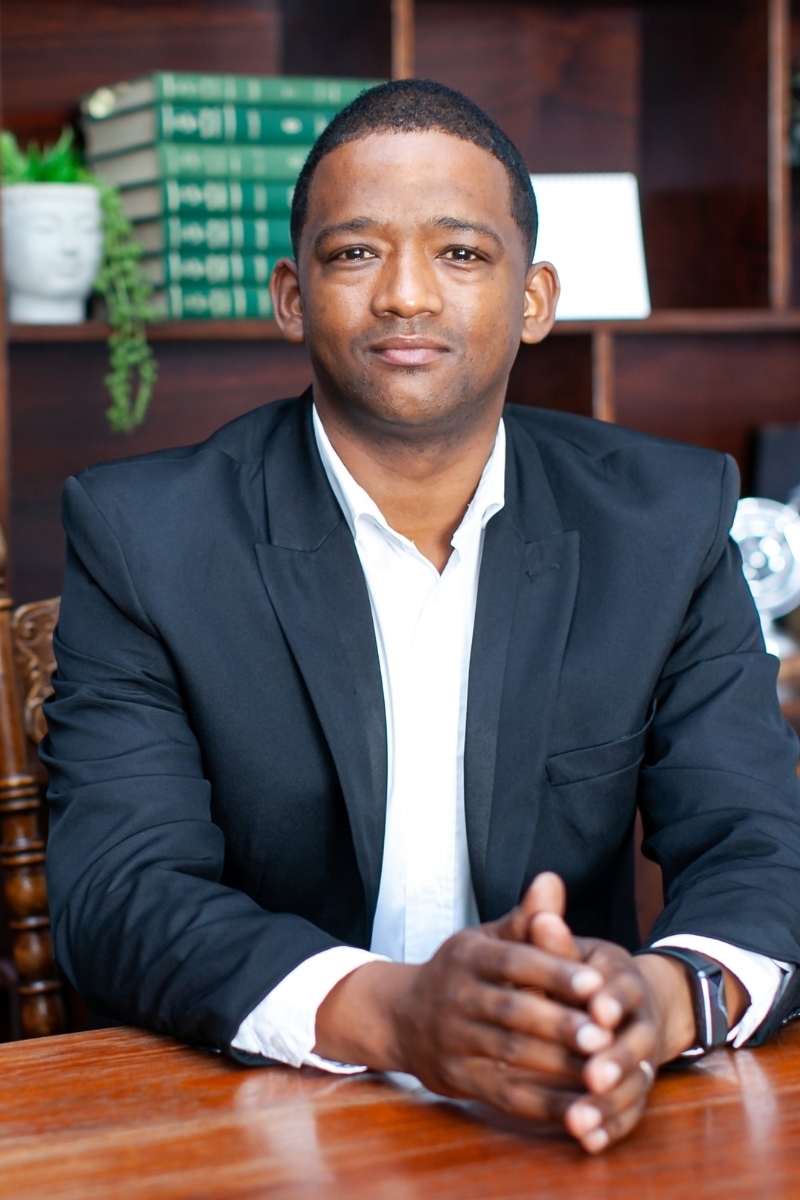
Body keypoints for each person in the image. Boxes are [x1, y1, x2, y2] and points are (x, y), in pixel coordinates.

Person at [44, 80, 800, 1155]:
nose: (405, 295)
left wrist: (659, 1002)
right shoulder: (146, 536)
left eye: (460, 253)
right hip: (259, 1120)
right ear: (291, 296)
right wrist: (398, 1015)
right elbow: (120, 893)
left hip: (567, 1110)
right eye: (355, 252)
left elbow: (761, 843)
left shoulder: (662, 522)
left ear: (533, 299)